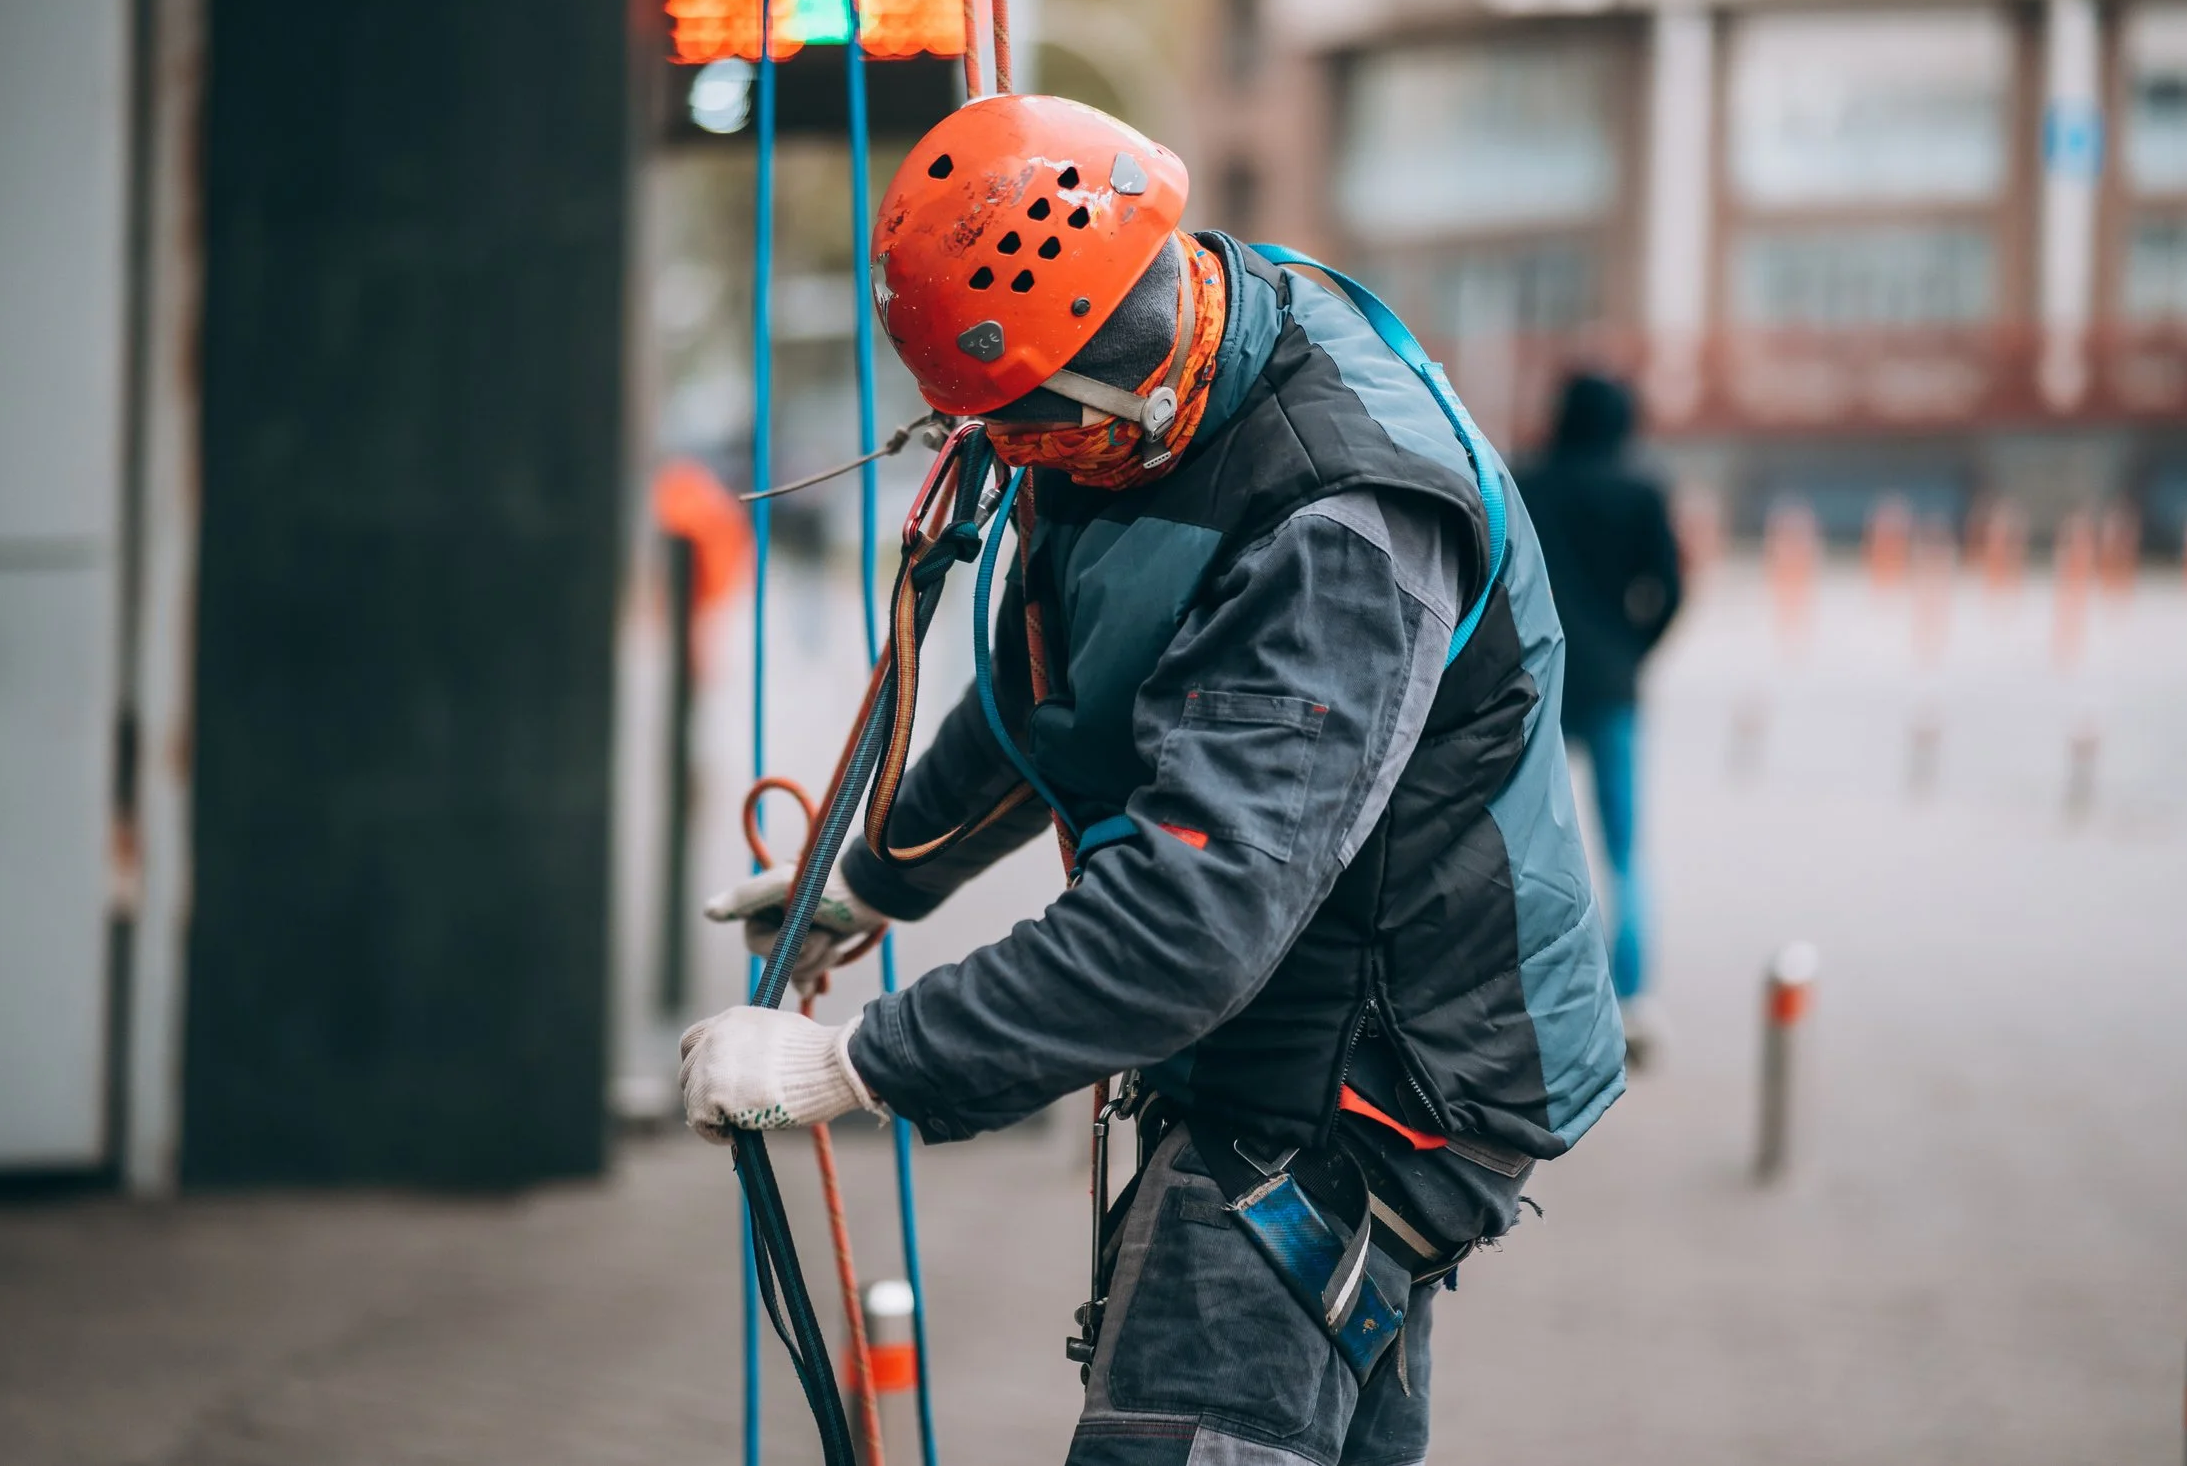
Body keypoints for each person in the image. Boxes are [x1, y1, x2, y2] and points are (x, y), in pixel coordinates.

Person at [680, 95, 1624, 1466]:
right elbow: (1055, 702)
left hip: (1371, 1081)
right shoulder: (1149, 388)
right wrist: (875, 875)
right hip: (1307, 1028)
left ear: (1124, 360)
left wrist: (856, 1062)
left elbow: (1188, 920)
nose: (1012, 462)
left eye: (1037, 430)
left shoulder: (1339, 522)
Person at [1516, 373, 1682, 1065]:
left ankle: (1533, 996)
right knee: (1623, 851)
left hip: (1541, 682)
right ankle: (1633, 999)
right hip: (1614, 687)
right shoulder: (1641, 489)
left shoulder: (1528, 483)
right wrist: (1632, 652)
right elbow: (1670, 590)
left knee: (1529, 845)